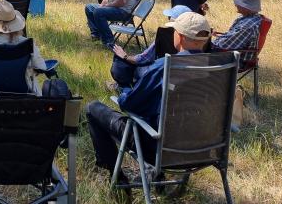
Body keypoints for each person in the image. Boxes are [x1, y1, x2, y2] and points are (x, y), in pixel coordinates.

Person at [86, 12, 212, 183]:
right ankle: (151, 175)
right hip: (205, 150)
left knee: (93, 108)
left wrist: (123, 92)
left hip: (161, 149)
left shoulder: (165, 66)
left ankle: (116, 178)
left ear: (180, 37)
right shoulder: (218, 69)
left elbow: (130, 104)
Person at [109, 5, 191, 89]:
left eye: (170, 17)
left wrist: (125, 56)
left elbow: (143, 59)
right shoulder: (201, 43)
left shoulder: (165, 37)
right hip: (190, 85)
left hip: (161, 78)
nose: (168, 18)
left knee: (122, 65)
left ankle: (125, 88)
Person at [212, 0, 264, 65]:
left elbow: (225, 46)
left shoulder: (246, 27)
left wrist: (208, 43)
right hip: (231, 54)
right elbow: (232, 37)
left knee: (194, 55)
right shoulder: (254, 17)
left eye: (238, 3)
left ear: (246, 7)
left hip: (233, 60)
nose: (235, 4)